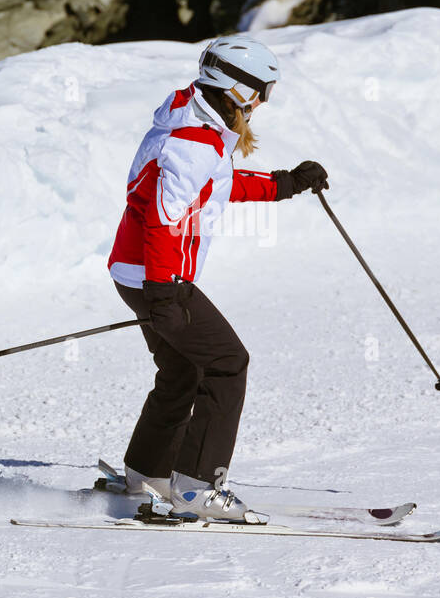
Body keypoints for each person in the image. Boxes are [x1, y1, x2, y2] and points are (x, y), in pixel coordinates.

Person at [107, 36, 328, 522]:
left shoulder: (195, 122)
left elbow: (214, 186)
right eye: (263, 91)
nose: (264, 102)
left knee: (182, 370)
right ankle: (195, 488)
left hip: (138, 271)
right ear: (240, 89)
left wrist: (284, 184)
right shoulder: (195, 140)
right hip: (157, 276)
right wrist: (164, 292)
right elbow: (166, 216)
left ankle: (147, 471)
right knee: (228, 363)